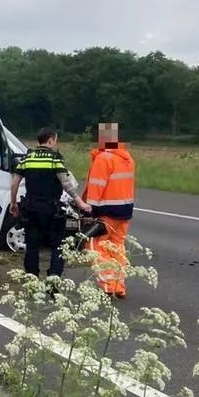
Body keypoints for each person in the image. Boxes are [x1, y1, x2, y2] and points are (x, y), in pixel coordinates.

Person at [9, 127, 92, 281]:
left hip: (31, 208)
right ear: (50, 140)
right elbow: (66, 183)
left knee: (32, 246)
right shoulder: (55, 159)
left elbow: (14, 184)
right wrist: (79, 201)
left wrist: (13, 203)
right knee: (57, 246)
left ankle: (32, 280)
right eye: (56, 140)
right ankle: (53, 279)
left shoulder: (27, 159)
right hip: (52, 209)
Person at [80, 122, 135, 299]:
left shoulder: (103, 159)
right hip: (124, 210)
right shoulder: (127, 157)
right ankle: (119, 285)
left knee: (95, 247)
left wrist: (89, 211)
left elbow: (96, 187)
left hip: (106, 211)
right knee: (117, 247)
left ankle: (109, 285)